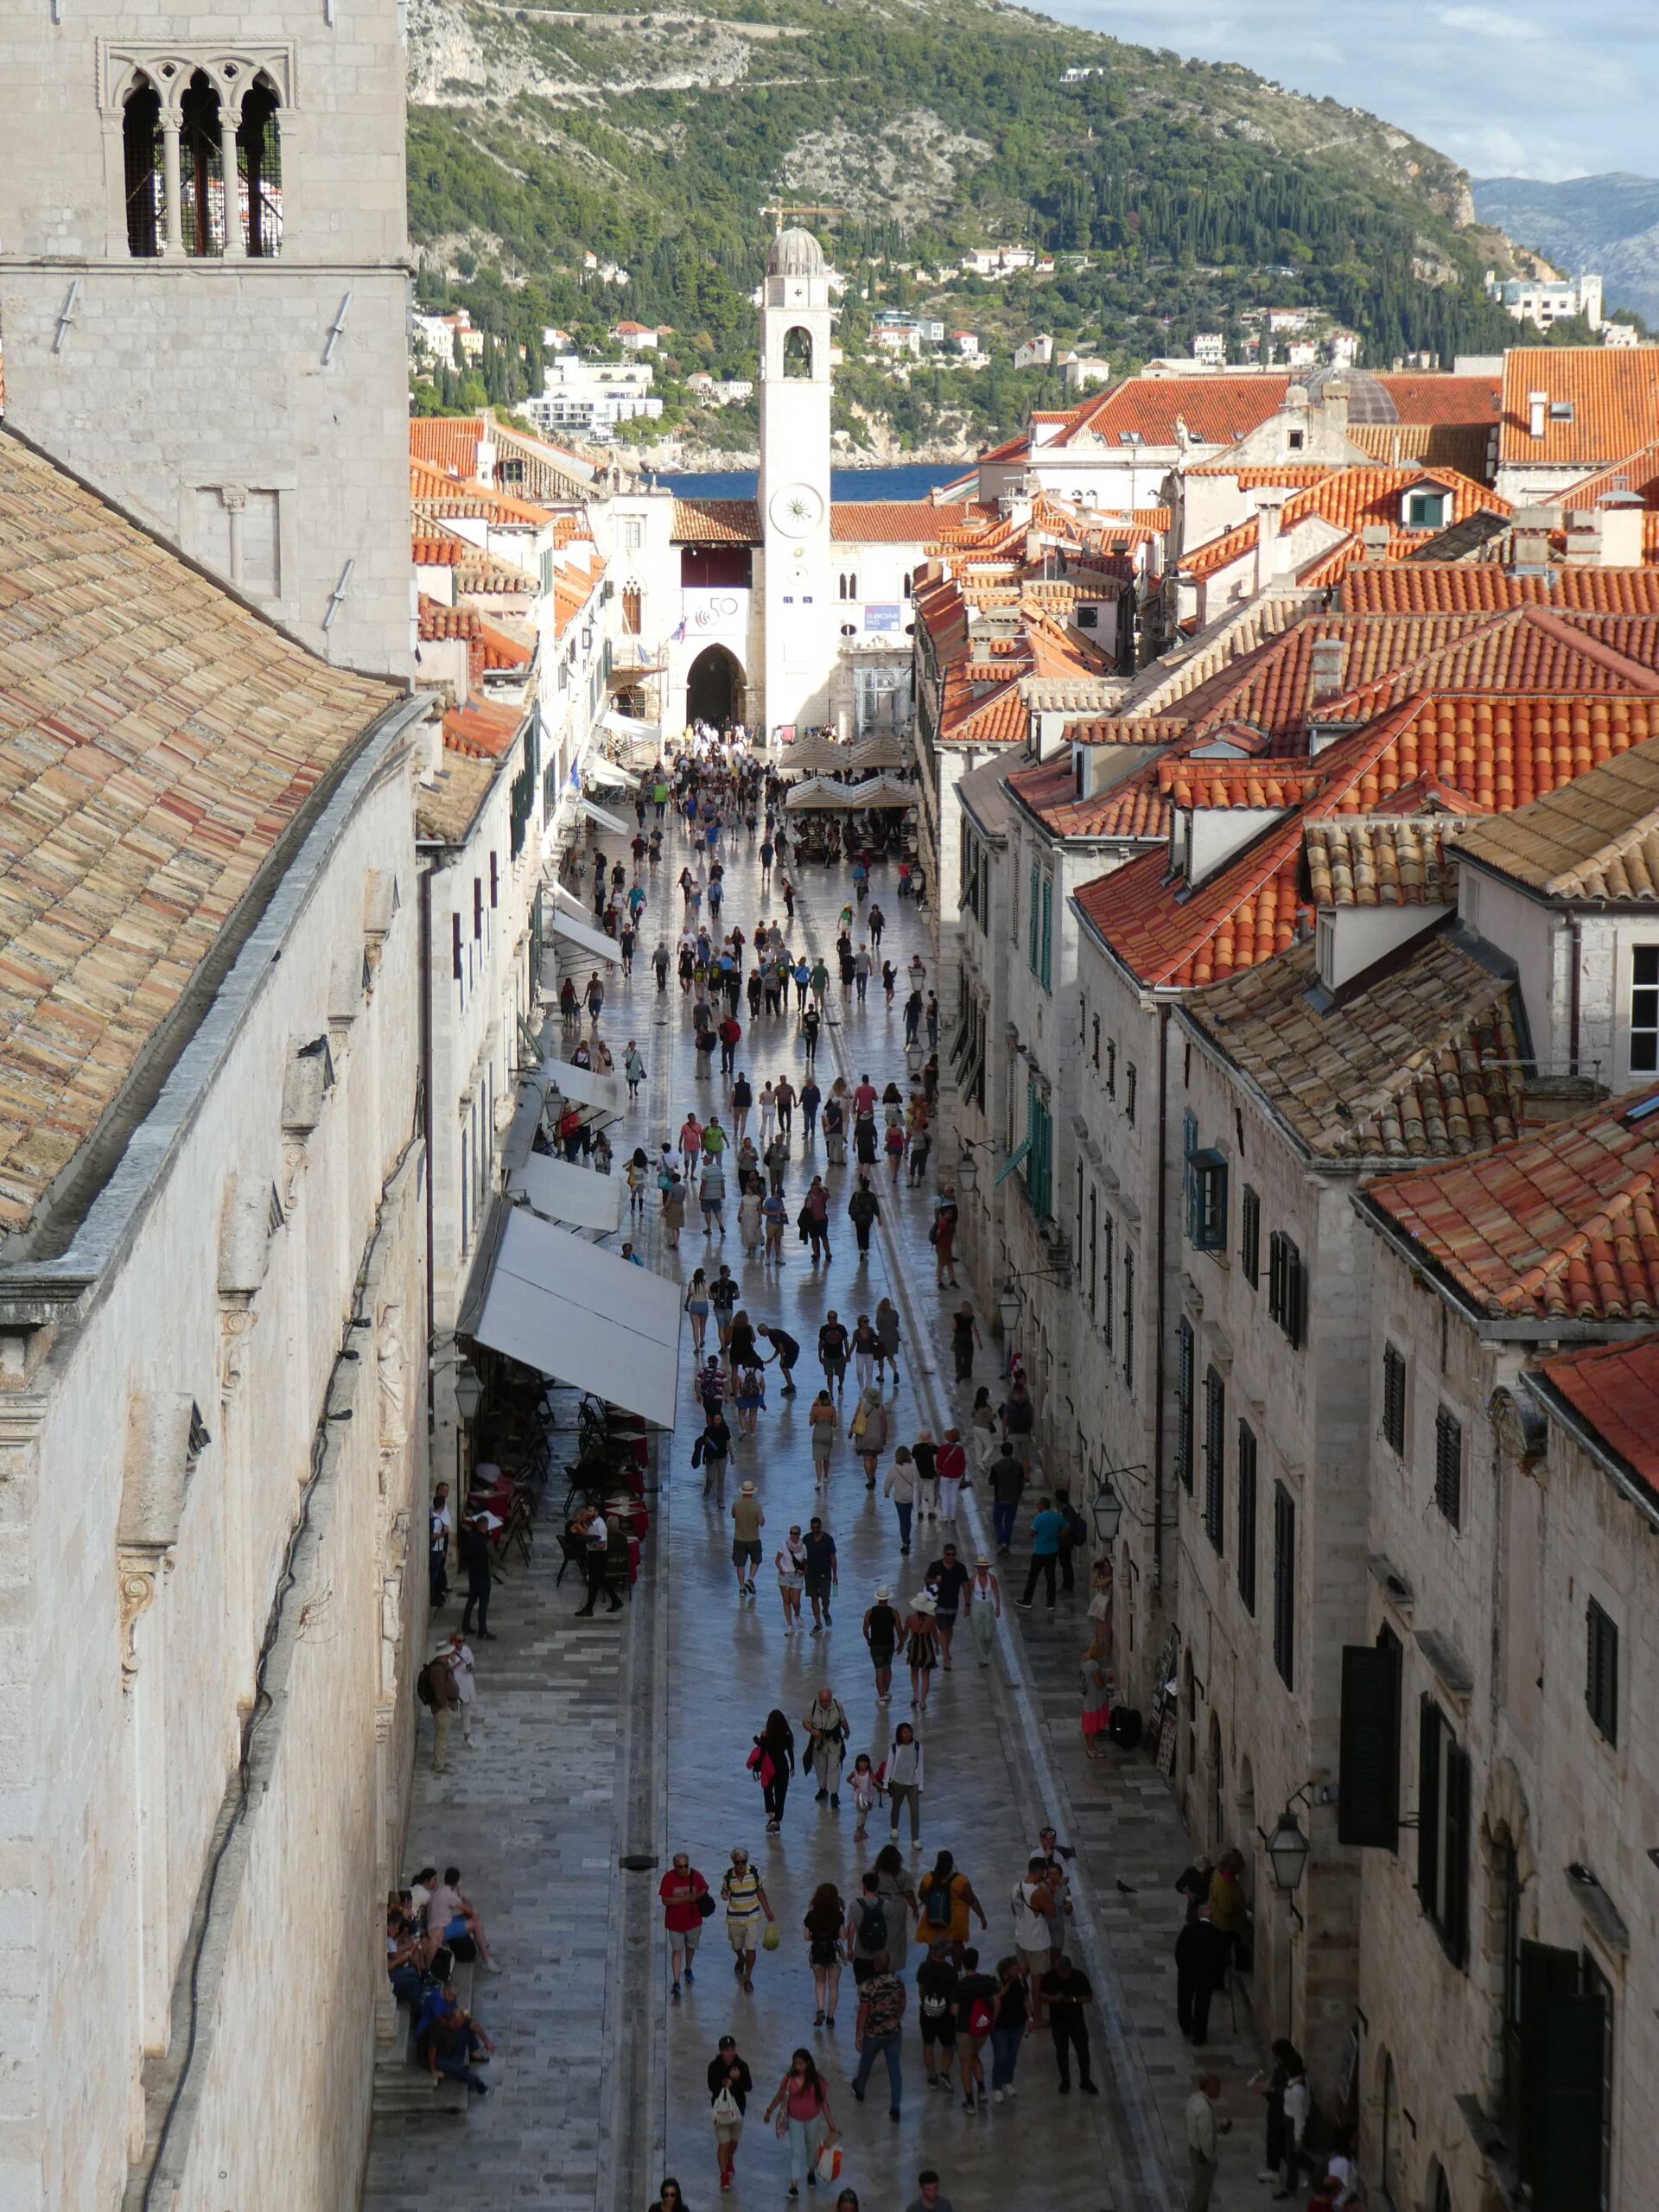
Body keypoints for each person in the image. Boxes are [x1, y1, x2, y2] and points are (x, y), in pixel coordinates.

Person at [764, 2050, 837, 2202]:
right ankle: (794, 2187)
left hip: (813, 2119)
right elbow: (779, 2095)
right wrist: (770, 2110)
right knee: (797, 2152)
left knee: (811, 2148)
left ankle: (811, 2170)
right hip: (794, 2119)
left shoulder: (817, 2081)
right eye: (795, 2064)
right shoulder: (789, 2080)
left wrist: (830, 2122)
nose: (798, 2066)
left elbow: (823, 2102)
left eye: (800, 2064)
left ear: (807, 2063)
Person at [850, 1950, 906, 2120]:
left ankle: (860, 2090)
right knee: (894, 2068)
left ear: (875, 1963)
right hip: (893, 2031)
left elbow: (863, 2012)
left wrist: (858, 2033)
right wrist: (894, 2018)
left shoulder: (868, 1985)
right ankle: (895, 2107)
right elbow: (902, 2004)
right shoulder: (898, 1982)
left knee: (866, 2063)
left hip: (874, 2032)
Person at [919, 1849, 987, 1969]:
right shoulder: (961, 1880)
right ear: (951, 1863)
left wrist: (932, 1904)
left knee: (933, 1945)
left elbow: (921, 1895)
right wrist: (981, 1916)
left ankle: (932, 1970)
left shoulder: (928, 1878)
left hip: (934, 1915)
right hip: (955, 1918)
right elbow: (971, 1899)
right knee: (957, 1944)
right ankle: (957, 1971)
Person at [1012, 1857, 1060, 2024]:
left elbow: (1015, 1911)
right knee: (1037, 1982)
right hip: (1036, 1943)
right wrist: (1050, 1892)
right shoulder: (1038, 1892)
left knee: (1022, 1975)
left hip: (1021, 1939)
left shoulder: (1016, 1887)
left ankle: (1020, 2007)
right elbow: (1052, 1912)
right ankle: (1038, 2017)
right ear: (1040, 1871)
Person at [1039, 1955, 1098, 2094]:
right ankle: (1065, 2081)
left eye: (1064, 1972)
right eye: (1060, 1972)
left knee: (1083, 2051)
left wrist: (1073, 2000)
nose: (1062, 1975)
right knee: (1061, 2052)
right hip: (1058, 2021)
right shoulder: (1050, 1977)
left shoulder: (1080, 1977)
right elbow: (1041, 1995)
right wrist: (1054, 1999)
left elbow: (1088, 1997)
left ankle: (1085, 2080)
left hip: (1076, 2021)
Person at [953, 1945, 998, 2112]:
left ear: (964, 1964)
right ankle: (982, 2090)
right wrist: (992, 2019)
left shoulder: (960, 1986)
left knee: (965, 2063)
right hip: (982, 2028)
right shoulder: (987, 1981)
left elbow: (955, 2010)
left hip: (965, 2030)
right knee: (974, 2056)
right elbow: (997, 2002)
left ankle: (970, 2102)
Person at [659, 1853, 709, 2002]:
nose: (683, 1869)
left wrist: (697, 1896)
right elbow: (665, 1900)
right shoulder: (669, 1878)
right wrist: (684, 1899)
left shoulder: (695, 1875)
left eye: (686, 1866)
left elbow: (704, 1888)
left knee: (691, 1947)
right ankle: (676, 1981)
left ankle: (688, 1968)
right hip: (675, 1923)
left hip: (693, 1921)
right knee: (677, 1950)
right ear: (675, 1867)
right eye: (680, 1867)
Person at [721, 1847, 773, 1990]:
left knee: (751, 1947)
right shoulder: (728, 1876)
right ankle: (740, 1958)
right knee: (736, 1946)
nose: (740, 1864)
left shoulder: (755, 1873)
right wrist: (724, 1895)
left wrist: (767, 1910)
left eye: (743, 1861)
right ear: (733, 1862)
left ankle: (748, 1979)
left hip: (751, 1917)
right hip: (734, 1918)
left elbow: (760, 1891)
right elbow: (724, 1891)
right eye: (737, 1862)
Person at [1176, 1906, 1228, 2046]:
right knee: (1202, 2004)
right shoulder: (1217, 1933)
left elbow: (1179, 1950)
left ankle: (1186, 2027)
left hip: (1187, 1972)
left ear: (1199, 1916)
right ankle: (1199, 2036)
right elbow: (1222, 1958)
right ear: (1211, 1918)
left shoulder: (1188, 1929)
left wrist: (1182, 1967)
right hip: (1206, 1975)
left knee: (1184, 2000)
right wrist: (1218, 1976)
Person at [709, 2035, 753, 2194]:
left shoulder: (742, 2066)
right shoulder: (714, 2067)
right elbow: (712, 2086)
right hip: (721, 2112)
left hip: (738, 2111)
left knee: (733, 2143)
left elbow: (748, 2086)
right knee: (723, 2143)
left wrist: (735, 2082)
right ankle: (724, 2176)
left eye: (732, 2050)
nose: (729, 2053)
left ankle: (730, 2159)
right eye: (726, 2050)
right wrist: (726, 2082)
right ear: (721, 2051)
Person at [915, 1941, 958, 2091]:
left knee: (928, 2044)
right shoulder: (951, 1971)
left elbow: (921, 1990)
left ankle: (932, 2076)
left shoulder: (924, 1967)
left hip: (927, 2010)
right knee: (948, 2045)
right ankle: (945, 2072)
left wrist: (925, 2002)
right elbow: (954, 1994)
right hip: (945, 2013)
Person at [988, 1955, 1028, 2104]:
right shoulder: (997, 1984)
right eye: (1015, 1968)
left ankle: (1007, 2081)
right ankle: (997, 2086)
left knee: (1012, 2054)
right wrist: (1006, 1988)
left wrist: (1029, 2018)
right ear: (1006, 1972)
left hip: (1018, 2023)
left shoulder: (1021, 1981)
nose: (1018, 1970)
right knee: (1001, 2055)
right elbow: (995, 1999)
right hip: (1000, 2026)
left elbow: (1025, 1999)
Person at [1016, 1495, 1066, 1611]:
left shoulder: (1040, 1518)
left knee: (1033, 1577)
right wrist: (1058, 1535)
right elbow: (1067, 1527)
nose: (1036, 1506)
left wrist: (1036, 1534)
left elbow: (1031, 1533)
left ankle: (1027, 1600)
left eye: (1037, 1504)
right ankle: (1050, 1603)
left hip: (1040, 1552)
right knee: (1051, 1577)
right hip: (1052, 1551)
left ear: (1042, 1505)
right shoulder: (1056, 1516)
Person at [751, 1707, 795, 1834]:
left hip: (769, 1766)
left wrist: (758, 1742)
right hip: (782, 1766)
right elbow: (790, 1750)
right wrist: (793, 1766)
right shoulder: (787, 1734)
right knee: (781, 1795)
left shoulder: (765, 1735)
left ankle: (772, 1817)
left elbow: (764, 1750)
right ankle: (777, 1821)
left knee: (768, 1791)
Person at [804, 1684, 849, 1807]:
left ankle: (834, 1794)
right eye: (822, 1701)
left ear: (831, 1699)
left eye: (827, 1701)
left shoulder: (838, 1706)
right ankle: (822, 1789)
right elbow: (805, 1722)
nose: (825, 1703)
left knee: (834, 1767)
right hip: (819, 1743)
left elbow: (843, 1720)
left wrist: (847, 1730)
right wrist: (813, 1731)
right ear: (819, 1699)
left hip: (834, 1742)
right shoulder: (812, 1706)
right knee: (820, 1767)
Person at [573, 1503, 621, 1616]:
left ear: (596, 1512)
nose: (588, 1513)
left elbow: (602, 1545)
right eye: (588, 1511)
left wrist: (591, 1543)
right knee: (600, 1581)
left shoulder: (600, 1526)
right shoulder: (593, 1524)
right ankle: (615, 1601)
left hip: (598, 1556)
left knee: (595, 1582)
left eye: (590, 1511)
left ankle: (590, 1608)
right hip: (593, 1555)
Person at [881, 1722, 924, 1847]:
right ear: (900, 1734)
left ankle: (915, 1838)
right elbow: (889, 1765)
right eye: (904, 1732)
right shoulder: (895, 1748)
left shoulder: (918, 1747)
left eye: (909, 1732)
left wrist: (920, 1784)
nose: (907, 1734)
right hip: (898, 1782)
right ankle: (894, 1827)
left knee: (915, 1811)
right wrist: (885, 1782)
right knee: (896, 1806)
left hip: (913, 1783)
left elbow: (920, 1765)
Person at [1186, 2075, 1225, 2212]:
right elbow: (1205, 2138)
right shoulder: (1205, 2109)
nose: (1220, 2091)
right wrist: (1211, 2158)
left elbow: (1201, 2128)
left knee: (1203, 2191)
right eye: (1218, 2088)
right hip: (1202, 2155)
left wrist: (1218, 2129)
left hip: (1193, 2148)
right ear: (1210, 2089)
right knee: (1201, 2192)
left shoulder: (1194, 2099)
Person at [927, 1543, 969, 1670]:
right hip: (939, 1603)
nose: (950, 1557)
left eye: (953, 1554)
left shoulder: (960, 1568)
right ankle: (946, 1658)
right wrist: (935, 1581)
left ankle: (946, 1650)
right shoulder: (935, 1566)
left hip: (953, 1604)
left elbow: (965, 1585)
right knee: (943, 1630)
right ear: (944, 1554)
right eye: (948, 1554)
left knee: (949, 1629)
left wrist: (967, 1604)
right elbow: (927, 1580)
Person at [458, 1510, 494, 1639]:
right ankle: (482, 1630)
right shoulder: (486, 1541)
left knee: (472, 1600)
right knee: (483, 1604)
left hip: (473, 1574)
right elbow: (494, 1557)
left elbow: (465, 1554)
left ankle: (465, 1625)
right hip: (484, 1576)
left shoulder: (471, 1537)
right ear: (486, 1526)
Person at [863, 1586, 901, 1700]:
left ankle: (881, 1696)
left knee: (879, 1670)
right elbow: (899, 1630)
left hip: (875, 1645)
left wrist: (868, 1640)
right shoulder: (894, 1612)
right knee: (888, 1668)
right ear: (888, 1598)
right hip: (889, 1644)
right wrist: (901, 1644)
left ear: (878, 1598)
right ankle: (886, 1691)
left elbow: (865, 1629)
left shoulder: (870, 1612)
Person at [903, 1592, 939, 1711]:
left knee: (914, 1672)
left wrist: (900, 1646)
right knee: (926, 1675)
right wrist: (937, 1646)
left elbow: (904, 1635)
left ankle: (915, 1695)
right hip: (926, 1647)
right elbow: (934, 1635)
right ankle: (923, 1700)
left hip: (914, 1646)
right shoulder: (932, 1620)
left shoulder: (909, 1619)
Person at [964, 1554, 1001, 1669]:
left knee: (989, 1633)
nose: (981, 1569)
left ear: (986, 1568)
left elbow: (996, 1593)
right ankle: (983, 1659)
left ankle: (986, 1652)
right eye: (979, 1567)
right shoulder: (973, 1580)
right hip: (976, 1604)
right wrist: (968, 1606)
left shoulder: (992, 1579)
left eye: (983, 1567)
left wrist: (997, 1607)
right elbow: (969, 1593)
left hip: (988, 1604)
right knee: (978, 1633)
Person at [802, 1516, 837, 1630]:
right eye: (813, 1528)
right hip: (811, 1574)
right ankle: (818, 1623)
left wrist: (835, 1574)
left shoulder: (828, 1539)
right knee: (814, 1598)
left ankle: (825, 1611)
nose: (815, 1530)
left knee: (825, 1597)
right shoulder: (806, 1538)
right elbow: (803, 1555)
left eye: (817, 1527)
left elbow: (833, 1556)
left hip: (825, 1573)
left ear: (821, 1527)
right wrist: (804, 1566)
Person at [692, 1404, 733, 1502]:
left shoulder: (725, 1429)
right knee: (710, 1478)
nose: (718, 1421)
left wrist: (732, 1455)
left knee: (721, 1478)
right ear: (713, 1420)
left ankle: (720, 1498)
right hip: (712, 1457)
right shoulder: (708, 1430)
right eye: (716, 1419)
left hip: (723, 1456)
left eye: (719, 1419)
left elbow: (728, 1442)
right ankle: (707, 1490)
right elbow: (705, 1442)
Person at [731, 1481, 764, 1598]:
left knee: (740, 1564)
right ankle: (750, 1579)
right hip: (753, 1539)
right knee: (756, 1560)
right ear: (752, 1493)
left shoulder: (736, 1504)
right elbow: (762, 1523)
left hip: (739, 1539)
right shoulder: (756, 1506)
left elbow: (733, 1515)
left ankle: (741, 1588)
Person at [1080, 1637, 1112, 1758]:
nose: (1104, 1652)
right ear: (1097, 1651)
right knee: (1092, 1726)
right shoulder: (1094, 1665)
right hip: (1095, 1699)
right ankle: (1092, 1749)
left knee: (1088, 1725)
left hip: (1088, 1698)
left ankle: (1089, 1747)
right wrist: (1107, 1679)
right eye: (1103, 1650)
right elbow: (1099, 1682)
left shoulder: (1085, 1660)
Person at [883, 1447, 919, 1554]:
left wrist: (886, 1492)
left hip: (899, 1498)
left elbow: (888, 1482)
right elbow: (916, 1481)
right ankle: (907, 1537)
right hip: (910, 1497)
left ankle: (905, 1542)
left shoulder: (894, 1468)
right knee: (907, 1519)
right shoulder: (913, 1467)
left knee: (902, 1520)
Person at [850, 1388, 888, 1489]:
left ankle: (870, 1479)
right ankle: (873, 1475)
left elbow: (855, 1420)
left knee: (867, 1458)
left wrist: (851, 1432)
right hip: (877, 1436)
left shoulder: (861, 1406)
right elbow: (884, 1424)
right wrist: (884, 1437)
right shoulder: (881, 1408)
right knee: (874, 1457)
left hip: (864, 1436)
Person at [776, 1524, 807, 1632]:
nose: (793, 1535)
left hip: (797, 1576)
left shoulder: (803, 1547)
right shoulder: (784, 1545)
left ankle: (797, 1615)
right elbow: (777, 1560)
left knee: (795, 1601)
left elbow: (805, 1563)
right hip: (785, 1575)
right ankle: (790, 1625)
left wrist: (802, 1571)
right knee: (786, 1600)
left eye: (796, 1533)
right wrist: (781, 1569)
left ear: (799, 1534)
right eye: (791, 1533)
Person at [757, 1321, 799, 1393]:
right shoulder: (771, 1334)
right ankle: (790, 1385)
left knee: (784, 1367)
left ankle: (791, 1387)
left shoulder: (773, 1334)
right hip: (791, 1349)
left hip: (792, 1349)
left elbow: (780, 1347)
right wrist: (772, 1359)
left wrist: (782, 1358)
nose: (761, 1335)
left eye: (761, 1333)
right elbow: (778, 1348)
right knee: (783, 1366)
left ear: (765, 1330)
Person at [808, 1389, 837, 1491]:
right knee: (826, 1457)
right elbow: (834, 1424)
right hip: (827, 1434)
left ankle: (819, 1480)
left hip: (818, 1434)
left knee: (817, 1459)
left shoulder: (815, 1409)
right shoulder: (832, 1409)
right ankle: (826, 1476)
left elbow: (811, 1423)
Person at [935, 1430, 967, 1524]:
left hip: (945, 1475)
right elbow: (963, 1464)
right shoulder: (960, 1450)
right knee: (954, 1495)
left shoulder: (942, 1448)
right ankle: (953, 1516)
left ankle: (944, 1517)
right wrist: (962, 1475)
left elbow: (938, 1463)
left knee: (945, 1496)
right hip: (957, 1476)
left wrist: (939, 1472)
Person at [817, 1310, 849, 1397]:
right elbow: (821, 1342)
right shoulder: (824, 1329)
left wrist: (848, 1354)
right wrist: (819, 1355)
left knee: (841, 1375)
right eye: (830, 1317)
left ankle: (840, 1385)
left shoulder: (841, 1328)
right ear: (827, 1318)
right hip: (828, 1356)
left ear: (836, 1318)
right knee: (829, 1375)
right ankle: (831, 1393)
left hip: (839, 1356)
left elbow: (845, 1342)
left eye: (834, 1317)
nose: (832, 1319)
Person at [684, 1267, 712, 1356]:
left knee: (695, 1328)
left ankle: (696, 1347)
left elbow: (689, 1295)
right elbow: (710, 1296)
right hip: (704, 1305)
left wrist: (686, 1304)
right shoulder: (705, 1283)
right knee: (703, 1326)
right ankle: (702, 1340)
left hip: (695, 1305)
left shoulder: (692, 1283)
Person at [874, 1296, 901, 1385]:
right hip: (893, 1337)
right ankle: (895, 1372)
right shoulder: (894, 1313)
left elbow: (879, 1327)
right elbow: (897, 1324)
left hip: (883, 1338)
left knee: (881, 1358)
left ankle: (881, 1376)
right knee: (890, 1358)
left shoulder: (879, 1314)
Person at [950, 1300, 978, 1379]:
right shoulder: (971, 1317)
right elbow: (975, 1329)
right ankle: (967, 1372)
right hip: (968, 1338)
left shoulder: (956, 1316)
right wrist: (979, 1341)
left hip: (959, 1338)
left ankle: (959, 1371)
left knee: (958, 1356)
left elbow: (954, 1328)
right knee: (968, 1356)